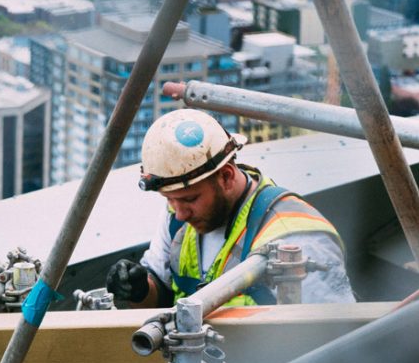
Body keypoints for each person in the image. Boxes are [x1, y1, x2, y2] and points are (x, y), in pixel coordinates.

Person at [107, 109, 355, 307]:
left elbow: (331, 340)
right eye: (170, 200)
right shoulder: (177, 214)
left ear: (225, 177)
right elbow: (162, 291)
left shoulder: (296, 237)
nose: (180, 212)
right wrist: (139, 289)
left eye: (190, 200)